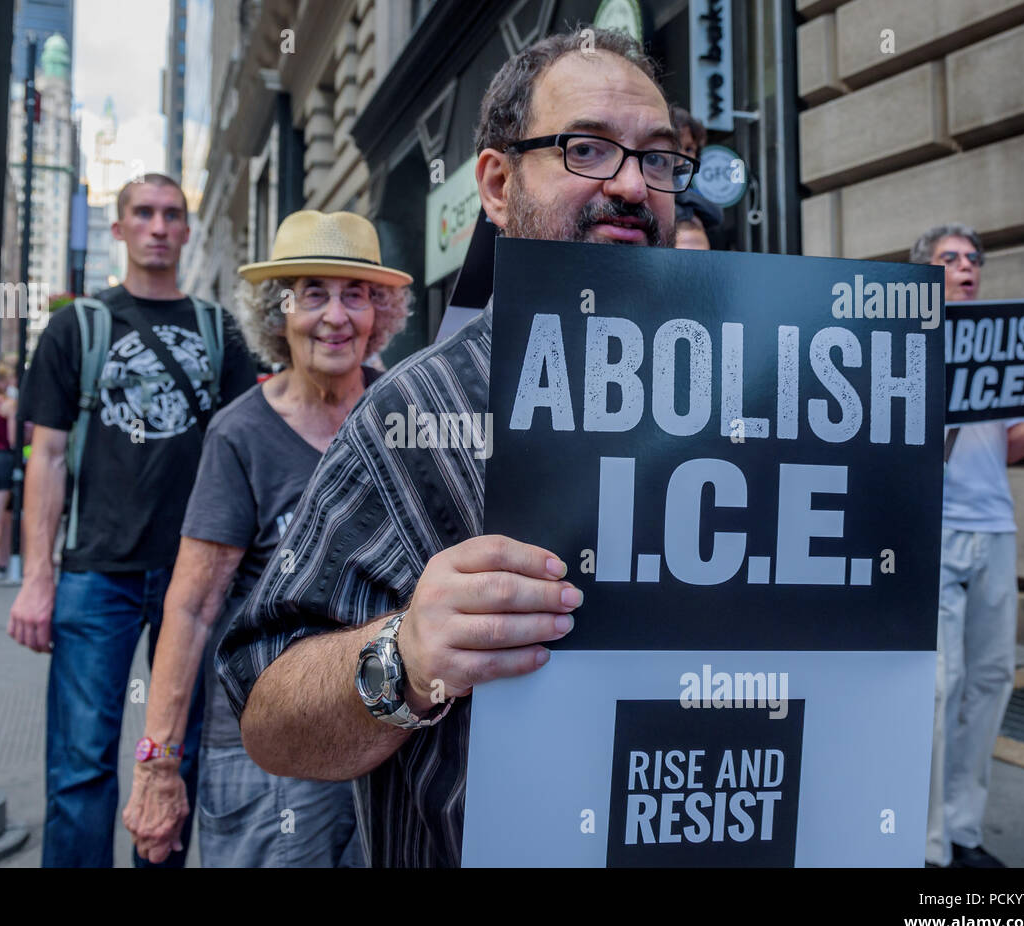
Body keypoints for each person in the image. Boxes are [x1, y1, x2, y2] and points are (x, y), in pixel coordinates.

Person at [217, 28, 686, 867]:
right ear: (498, 186)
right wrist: (403, 657)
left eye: (658, 159)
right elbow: (266, 714)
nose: (630, 183)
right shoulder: (413, 413)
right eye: (587, 148)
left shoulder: (740, 397)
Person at [123, 209, 412, 867]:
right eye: (313, 293)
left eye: (356, 294)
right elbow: (192, 608)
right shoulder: (240, 434)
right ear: (278, 313)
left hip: (390, 734)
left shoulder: (403, 413)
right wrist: (159, 762)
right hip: (268, 749)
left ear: (381, 313)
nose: (336, 316)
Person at [8, 172, 257, 867]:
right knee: (80, 765)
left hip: (197, 580)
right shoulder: (75, 328)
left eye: (171, 214)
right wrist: (37, 577)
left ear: (184, 230)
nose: (157, 225)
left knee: (176, 755)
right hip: (96, 574)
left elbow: (244, 451)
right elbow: (47, 458)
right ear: (118, 229)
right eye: (142, 213)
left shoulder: (219, 332)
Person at [912, 223, 1024, 868]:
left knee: (992, 677)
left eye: (973, 259)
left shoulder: (1005, 348)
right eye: (951, 259)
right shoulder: (913, 341)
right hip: (934, 529)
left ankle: (964, 829)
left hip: (994, 527)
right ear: (926, 272)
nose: (966, 267)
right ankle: (927, 846)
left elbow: (1011, 447)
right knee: (940, 685)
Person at [0, 360, 17, 581]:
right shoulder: (9, 405)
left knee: (2, 516)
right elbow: (13, 440)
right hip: (4, 460)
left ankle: (1, 563)